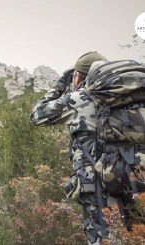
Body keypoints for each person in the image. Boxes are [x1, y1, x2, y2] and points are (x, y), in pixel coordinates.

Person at [30, 51, 110, 244]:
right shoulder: (133, 102)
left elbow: (37, 115)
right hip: (136, 185)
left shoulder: (81, 99)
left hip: (97, 191)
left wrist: (60, 86)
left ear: (77, 76)